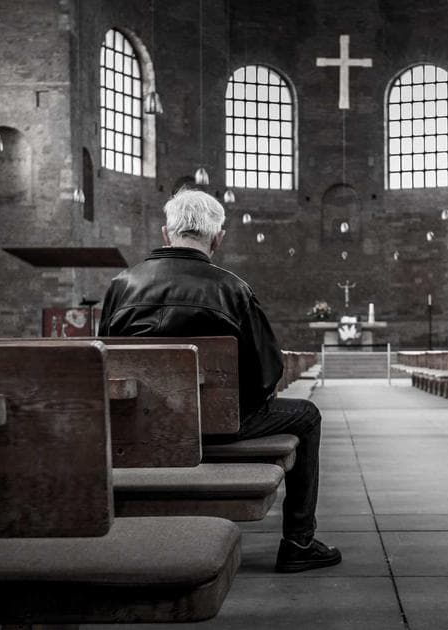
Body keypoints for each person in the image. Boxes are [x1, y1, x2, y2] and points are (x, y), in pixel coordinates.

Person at [98, 188, 341, 573]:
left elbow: (107, 365)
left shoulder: (120, 286)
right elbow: (268, 372)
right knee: (307, 415)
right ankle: (299, 541)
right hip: (223, 427)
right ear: (218, 237)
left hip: (144, 429)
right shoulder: (233, 288)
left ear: (166, 233)